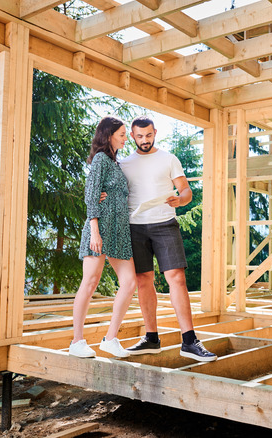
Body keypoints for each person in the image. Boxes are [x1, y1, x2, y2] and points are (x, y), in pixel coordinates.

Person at [118, 116, 216, 362]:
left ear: (155, 133)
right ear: (132, 136)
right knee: (143, 280)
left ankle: (189, 340)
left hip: (165, 224)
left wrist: (180, 200)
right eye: (139, 136)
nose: (144, 141)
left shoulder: (169, 159)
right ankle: (151, 338)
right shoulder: (124, 163)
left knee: (177, 278)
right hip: (135, 227)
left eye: (148, 135)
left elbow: (186, 191)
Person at [69, 116, 136, 359]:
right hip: (100, 229)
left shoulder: (115, 163)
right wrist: (95, 230)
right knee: (90, 282)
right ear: (108, 135)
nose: (125, 138)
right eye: (121, 134)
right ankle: (77, 341)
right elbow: (91, 194)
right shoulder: (100, 159)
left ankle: (110, 339)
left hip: (119, 231)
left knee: (129, 283)